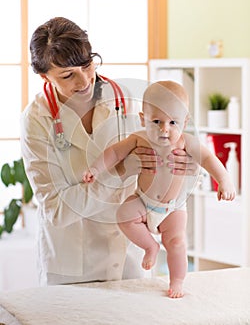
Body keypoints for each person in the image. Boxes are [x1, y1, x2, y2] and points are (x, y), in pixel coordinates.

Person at [20, 17, 199, 286]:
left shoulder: (125, 97)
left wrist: (182, 167)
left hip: (129, 255)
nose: (84, 81)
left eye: (87, 65)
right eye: (67, 75)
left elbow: (166, 151)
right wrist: (120, 171)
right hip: (71, 264)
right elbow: (56, 210)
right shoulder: (36, 119)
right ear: (44, 76)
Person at [83, 80, 236, 298]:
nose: (165, 128)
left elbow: (209, 158)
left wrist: (224, 180)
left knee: (176, 242)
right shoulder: (139, 139)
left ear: (185, 121)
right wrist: (95, 169)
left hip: (173, 208)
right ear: (143, 119)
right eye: (157, 121)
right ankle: (150, 247)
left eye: (173, 122)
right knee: (123, 215)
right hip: (143, 202)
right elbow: (114, 153)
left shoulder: (186, 142)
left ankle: (177, 281)